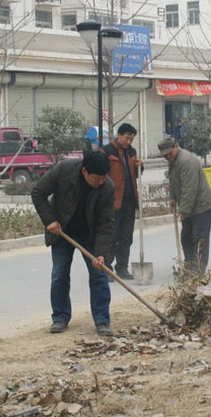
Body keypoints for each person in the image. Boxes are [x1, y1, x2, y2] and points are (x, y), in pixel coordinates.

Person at [31, 151, 116, 336]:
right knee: (59, 275)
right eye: (98, 178)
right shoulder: (64, 170)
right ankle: (60, 317)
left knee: (99, 275)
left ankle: (102, 320)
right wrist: (50, 221)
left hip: (90, 236)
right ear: (85, 171)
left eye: (104, 177)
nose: (102, 181)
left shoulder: (107, 187)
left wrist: (101, 253)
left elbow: (106, 224)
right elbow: (38, 192)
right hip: (62, 232)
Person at [158, 137, 211, 272]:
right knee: (186, 238)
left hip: (201, 206)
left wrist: (183, 210)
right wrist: (172, 197)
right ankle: (190, 267)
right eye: (165, 155)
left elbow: (190, 188)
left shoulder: (187, 161)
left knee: (199, 239)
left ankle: (199, 270)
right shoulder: (173, 161)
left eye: (169, 153)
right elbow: (173, 181)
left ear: (175, 147)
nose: (168, 157)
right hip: (189, 205)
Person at [100, 123, 143, 280]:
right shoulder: (106, 152)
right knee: (112, 236)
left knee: (126, 236)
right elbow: (101, 176)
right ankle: (107, 267)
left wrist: (140, 167)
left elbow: (135, 175)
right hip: (113, 201)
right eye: (126, 138)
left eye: (131, 139)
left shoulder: (132, 152)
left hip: (129, 201)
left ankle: (122, 267)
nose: (129, 142)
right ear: (119, 135)